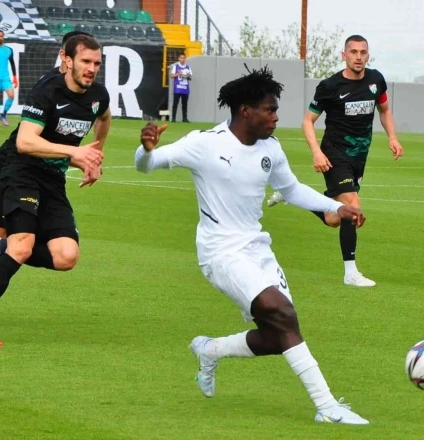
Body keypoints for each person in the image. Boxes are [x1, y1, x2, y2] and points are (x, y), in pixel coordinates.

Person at [135, 66, 370, 425]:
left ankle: (210, 349)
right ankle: (327, 407)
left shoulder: (270, 149)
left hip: (257, 248)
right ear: (246, 110)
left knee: (278, 337)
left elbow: (291, 189)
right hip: (220, 252)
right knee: (283, 314)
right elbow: (147, 165)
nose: (276, 117)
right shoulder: (205, 143)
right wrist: (145, 149)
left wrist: (336, 206)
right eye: (270, 109)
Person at [0, 34, 110, 347]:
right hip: (20, 169)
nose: (92, 68)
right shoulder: (48, 90)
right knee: (21, 246)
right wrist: (75, 153)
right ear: (67, 60)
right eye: (85, 61)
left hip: (52, 177)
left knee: (66, 256)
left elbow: (104, 117)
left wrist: (94, 155)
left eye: (96, 63)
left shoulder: (98, 95)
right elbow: (25, 142)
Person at [266, 35, 403, 287]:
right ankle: (350, 273)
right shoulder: (330, 86)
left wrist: (392, 137)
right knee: (352, 206)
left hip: (359, 156)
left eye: (363, 52)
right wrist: (317, 152)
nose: (358, 57)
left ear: (368, 55)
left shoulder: (376, 80)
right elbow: (307, 121)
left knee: (334, 219)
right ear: (344, 55)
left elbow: (384, 110)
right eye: (353, 52)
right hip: (334, 153)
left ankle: (291, 194)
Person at [170, 53, 192, 122]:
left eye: (184, 58)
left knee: (184, 104)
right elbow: (171, 76)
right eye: (181, 58)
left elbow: (191, 78)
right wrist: (178, 74)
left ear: (185, 59)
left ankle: (184, 118)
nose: (182, 59)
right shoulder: (176, 66)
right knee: (175, 104)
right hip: (177, 88)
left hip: (185, 89)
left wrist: (188, 75)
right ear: (179, 59)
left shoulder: (188, 67)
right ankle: (173, 118)